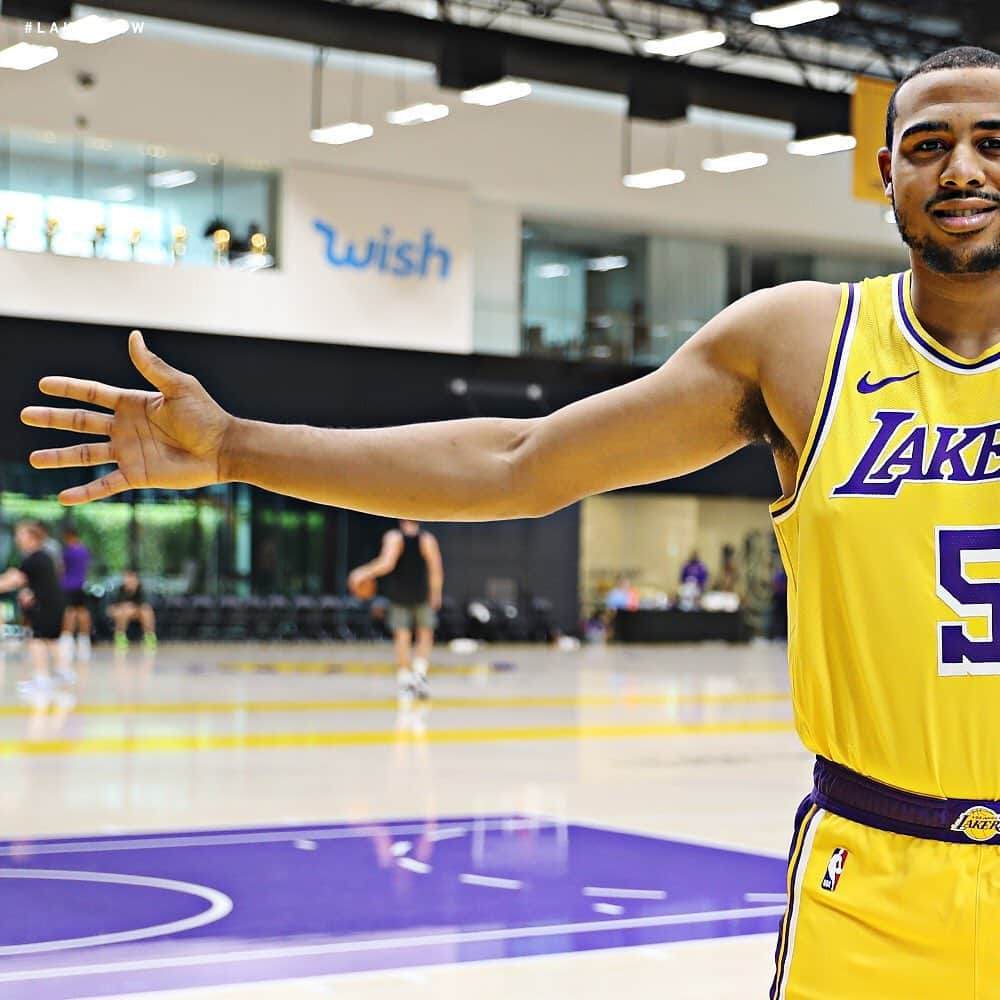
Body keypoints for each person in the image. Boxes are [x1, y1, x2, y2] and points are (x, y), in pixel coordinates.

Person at [18, 44, 1000, 996]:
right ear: (883, 170)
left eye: (991, 141)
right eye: (929, 143)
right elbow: (520, 461)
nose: (961, 169)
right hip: (869, 877)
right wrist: (236, 447)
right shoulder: (798, 343)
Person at [348, 520, 443, 699]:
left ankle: (405, 680)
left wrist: (363, 572)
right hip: (420, 592)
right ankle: (419, 675)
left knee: (403, 635)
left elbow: (387, 563)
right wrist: (436, 593)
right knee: (425, 633)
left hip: (400, 593)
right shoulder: (427, 539)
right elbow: (435, 568)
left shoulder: (394, 537)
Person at [0, 521, 67, 698]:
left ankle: (41, 679)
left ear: (32, 537)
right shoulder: (41, 556)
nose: (17, 539)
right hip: (53, 604)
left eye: (21, 535)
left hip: (45, 605)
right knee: (50, 639)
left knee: (36, 639)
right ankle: (61, 673)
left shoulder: (34, 558)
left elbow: (14, 579)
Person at [59, 526, 92, 663]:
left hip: (68, 585)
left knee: (69, 612)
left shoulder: (69, 551)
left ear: (69, 536)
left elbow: (62, 568)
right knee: (83, 611)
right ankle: (84, 641)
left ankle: (67, 641)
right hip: (81, 584)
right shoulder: (84, 550)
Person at [108, 570, 157, 649]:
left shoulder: (140, 591)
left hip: (136, 613)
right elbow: (111, 609)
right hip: (121, 614)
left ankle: (149, 637)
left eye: (133, 578)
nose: (130, 581)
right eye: (128, 578)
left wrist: (132, 608)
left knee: (147, 612)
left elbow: (144, 605)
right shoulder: (118, 591)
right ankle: (120, 638)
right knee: (124, 611)